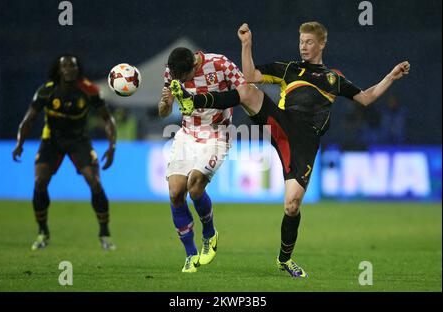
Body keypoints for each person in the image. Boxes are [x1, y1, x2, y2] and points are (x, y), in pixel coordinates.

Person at [170, 22, 410, 278]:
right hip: (283, 124)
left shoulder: (333, 78)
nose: (303, 47)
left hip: (306, 141)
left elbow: (365, 97)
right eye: (301, 42)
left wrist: (390, 77)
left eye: (308, 42)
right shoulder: (289, 69)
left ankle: (285, 259)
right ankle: (193, 100)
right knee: (246, 90)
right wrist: (246, 43)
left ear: (321, 44)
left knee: (292, 206)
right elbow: (249, 75)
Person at [12, 54, 118, 251]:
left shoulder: (89, 90)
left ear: (78, 69)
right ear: (59, 70)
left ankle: (104, 233)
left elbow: (107, 119)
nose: (70, 69)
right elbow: (29, 119)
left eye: (73, 66)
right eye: (65, 66)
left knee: (94, 182)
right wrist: (20, 143)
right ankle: (43, 231)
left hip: (79, 140)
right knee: (39, 182)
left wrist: (112, 147)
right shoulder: (46, 91)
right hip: (52, 139)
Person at [159, 47, 245, 272]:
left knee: (195, 186)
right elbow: (164, 112)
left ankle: (210, 234)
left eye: (183, 77)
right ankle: (190, 254)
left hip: (217, 134)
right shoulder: (171, 73)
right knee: (176, 193)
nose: (179, 80)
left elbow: (246, 92)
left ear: (195, 66)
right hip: (187, 135)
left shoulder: (220, 64)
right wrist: (165, 103)